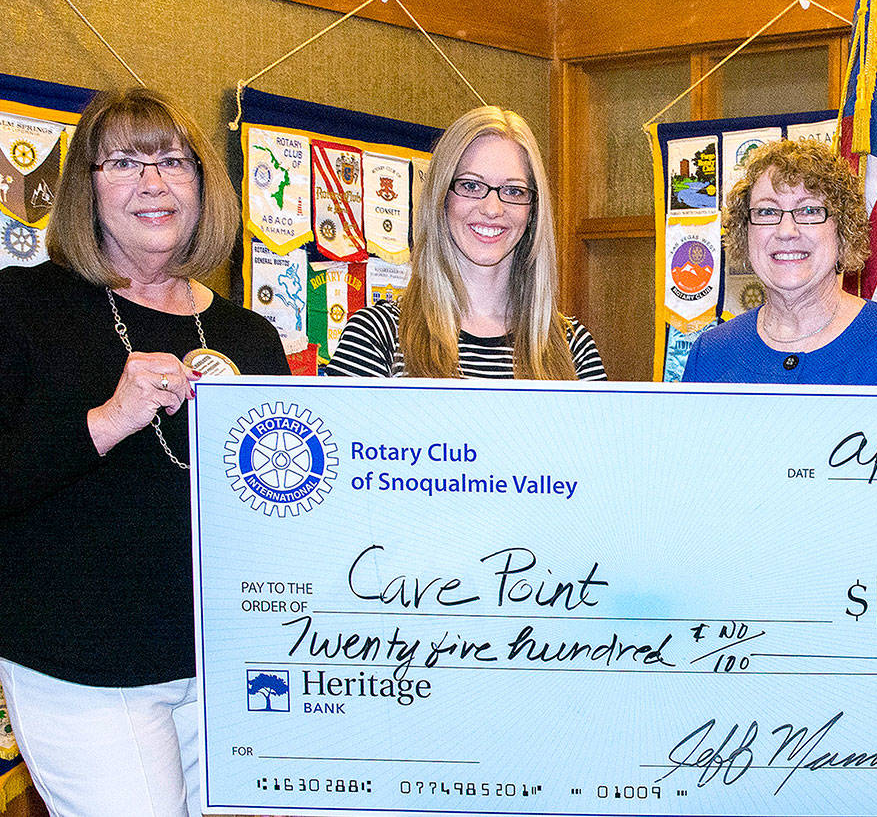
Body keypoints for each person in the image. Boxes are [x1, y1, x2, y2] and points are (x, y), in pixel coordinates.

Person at [0, 88, 289, 816]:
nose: (153, 183)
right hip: (83, 669)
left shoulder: (249, 335)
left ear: (202, 184)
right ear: (85, 188)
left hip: (224, 666)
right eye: (124, 162)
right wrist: (106, 419)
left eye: (173, 161)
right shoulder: (23, 306)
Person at [325, 106, 604, 380]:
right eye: (471, 186)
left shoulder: (573, 347)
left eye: (514, 191)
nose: (492, 208)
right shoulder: (377, 334)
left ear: (532, 211)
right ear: (441, 197)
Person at [681, 138, 877, 385]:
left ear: (843, 229)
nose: (786, 231)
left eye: (809, 210)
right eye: (767, 211)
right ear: (744, 229)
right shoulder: (709, 356)